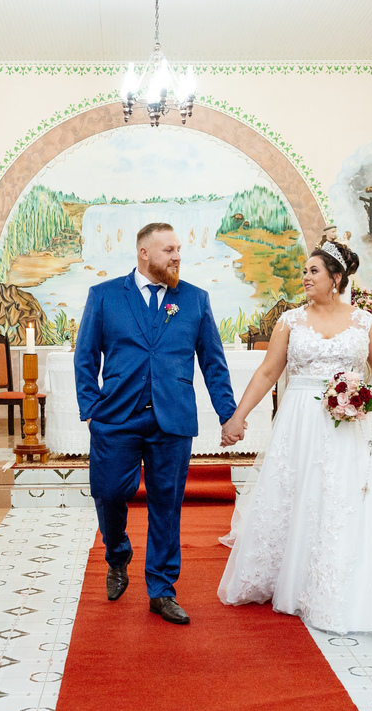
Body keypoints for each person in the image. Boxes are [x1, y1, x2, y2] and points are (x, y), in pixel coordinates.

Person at [217, 239, 372, 633]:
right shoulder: (290, 321)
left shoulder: (364, 323)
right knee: (297, 493)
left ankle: (340, 583)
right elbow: (268, 373)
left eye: (314, 271)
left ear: (336, 278)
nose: (305, 277)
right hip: (300, 421)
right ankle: (289, 576)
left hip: (351, 421)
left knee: (341, 498)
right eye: (304, 271)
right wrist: (238, 417)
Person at [74, 222, 240, 625]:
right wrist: (93, 407)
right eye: (168, 250)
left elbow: (213, 363)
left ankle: (162, 590)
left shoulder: (195, 300)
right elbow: (85, 356)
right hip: (116, 417)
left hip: (173, 418)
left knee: (167, 506)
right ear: (144, 253)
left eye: (178, 249)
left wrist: (228, 413)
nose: (177, 256)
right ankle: (118, 553)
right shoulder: (104, 296)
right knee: (109, 492)